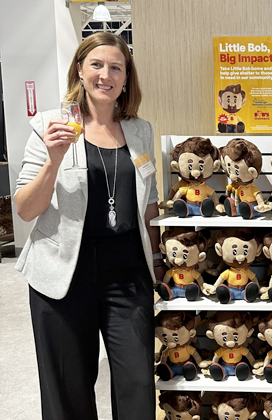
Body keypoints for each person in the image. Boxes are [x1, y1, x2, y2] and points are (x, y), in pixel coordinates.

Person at [13, 32, 163, 420]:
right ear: (79, 69)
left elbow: (149, 205)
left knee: (138, 385)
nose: (105, 75)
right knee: (69, 389)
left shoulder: (140, 130)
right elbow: (26, 210)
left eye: (116, 67)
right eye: (96, 64)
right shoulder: (50, 125)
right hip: (63, 274)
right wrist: (53, 160)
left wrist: (160, 261)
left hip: (128, 272)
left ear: (127, 77)